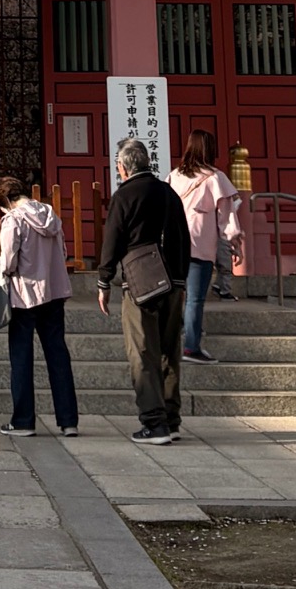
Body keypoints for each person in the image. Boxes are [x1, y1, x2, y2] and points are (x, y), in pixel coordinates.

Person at [97, 136, 191, 445]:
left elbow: (112, 240)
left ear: (122, 167)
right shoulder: (168, 192)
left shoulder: (124, 196)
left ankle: (153, 422)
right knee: (170, 351)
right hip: (174, 282)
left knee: (141, 351)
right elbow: (183, 236)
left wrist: (104, 281)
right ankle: (172, 419)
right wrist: (181, 279)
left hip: (141, 282)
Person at [0, 174, 79, 439]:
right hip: (53, 291)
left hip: (24, 295)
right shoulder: (50, 214)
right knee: (57, 354)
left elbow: (8, 262)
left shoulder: (13, 220)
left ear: (4, 200)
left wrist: (0, 271)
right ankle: (68, 421)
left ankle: (23, 421)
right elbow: (63, 252)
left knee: (21, 357)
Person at [168, 130, 241, 362]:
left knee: (175, 294)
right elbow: (226, 217)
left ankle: (173, 339)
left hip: (173, 243)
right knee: (195, 299)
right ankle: (191, 347)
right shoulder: (215, 178)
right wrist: (234, 243)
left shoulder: (174, 176)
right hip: (199, 244)